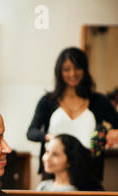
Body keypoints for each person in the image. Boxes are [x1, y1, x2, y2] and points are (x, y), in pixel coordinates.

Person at [27, 47, 118, 181]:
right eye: (67, 69)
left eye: (77, 68)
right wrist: (48, 137)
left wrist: (112, 132)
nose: (73, 73)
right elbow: (31, 132)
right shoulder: (47, 101)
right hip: (53, 173)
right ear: (59, 71)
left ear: (85, 70)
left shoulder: (99, 101)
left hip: (89, 171)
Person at [37, 134, 103, 191]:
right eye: (47, 152)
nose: (47, 159)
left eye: (55, 154)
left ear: (70, 160)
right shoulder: (43, 186)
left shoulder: (77, 192)